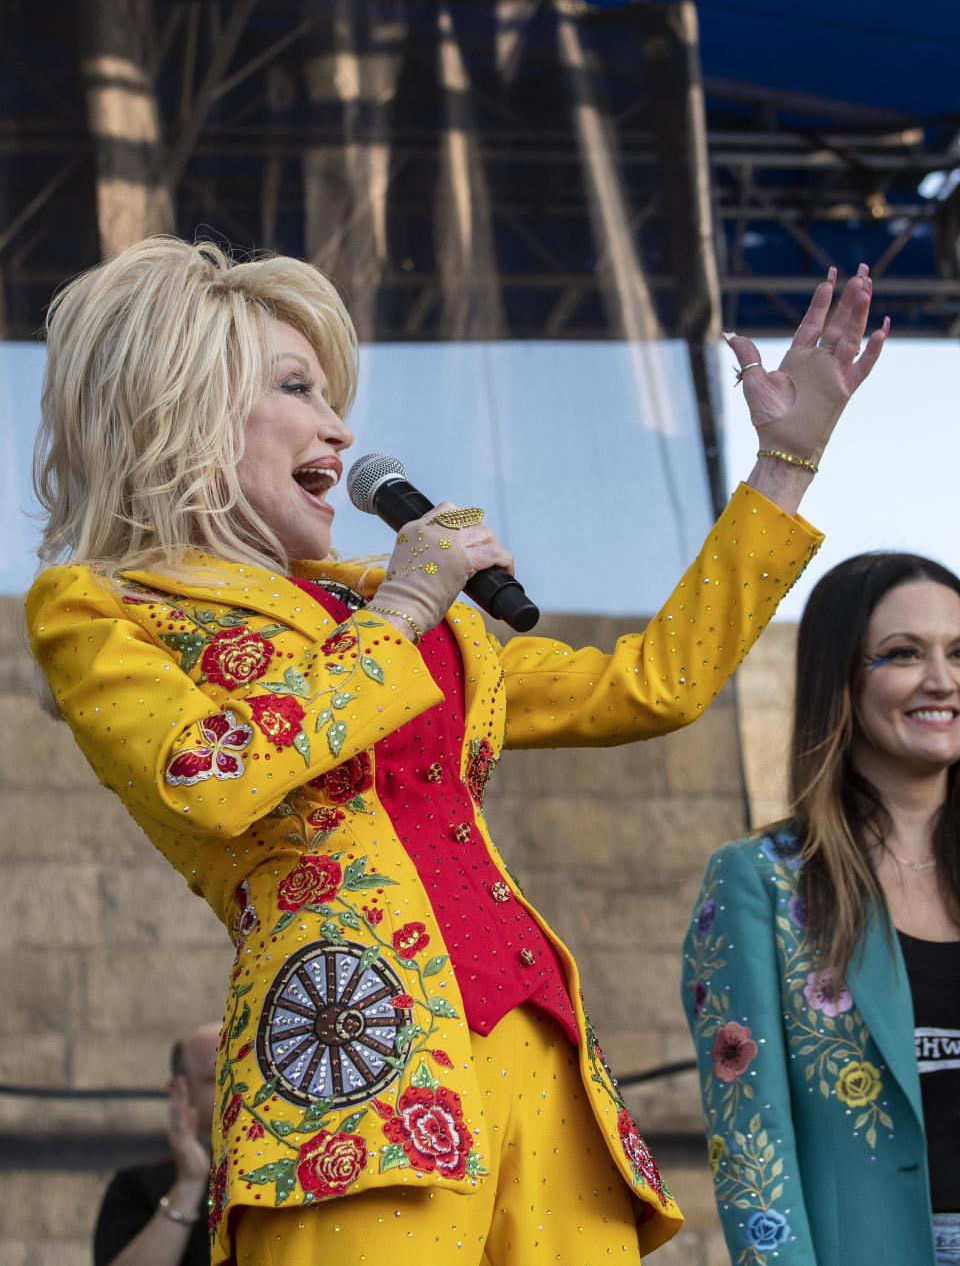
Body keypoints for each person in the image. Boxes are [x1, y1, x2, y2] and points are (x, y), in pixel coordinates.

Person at [27, 235, 886, 1266]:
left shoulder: (399, 610)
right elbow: (206, 778)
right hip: (352, 1078)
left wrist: (785, 463)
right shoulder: (109, 610)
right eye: (298, 387)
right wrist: (401, 606)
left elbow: (652, 683)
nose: (341, 430)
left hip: (541, 1061)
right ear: (179, 407)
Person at [682, 552, 960, 1266]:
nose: (943, 680)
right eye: (903, 653)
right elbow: (752, 1145)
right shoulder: (762, 883)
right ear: (840, 678)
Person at [94, 1022, 219, 1266]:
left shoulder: (302, 1176)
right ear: (181, 1091)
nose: (241, 1087)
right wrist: (189, 1185)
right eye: (218, 1077)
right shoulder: (138, 1187)